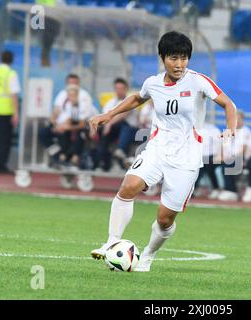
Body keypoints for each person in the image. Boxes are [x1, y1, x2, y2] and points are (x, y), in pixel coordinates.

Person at [88, 31, 237, 272]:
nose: (179, 64)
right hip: (157, 150)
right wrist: (108, 114)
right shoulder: (153, 83)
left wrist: (231, 129)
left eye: (184, 58)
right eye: (174, 58)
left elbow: (228, 104)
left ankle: (147, 255)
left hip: (187, 159)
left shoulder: (198, 81)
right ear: (163, 58)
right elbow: (138, 98)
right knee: (128, 186)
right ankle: (112, 242)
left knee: (165, 218)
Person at [39, 84, 94, 168]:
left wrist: (66, 127)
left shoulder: (83, 105)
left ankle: (73, 159)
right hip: (70, 127)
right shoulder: (67, 104)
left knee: (79, 134)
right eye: (70, 95)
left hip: (89, 128)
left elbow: (82, 124)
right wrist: (57, 126)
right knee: (45, 133)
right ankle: (58, 156)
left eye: (73, 95)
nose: (71, 97)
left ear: (77, 95)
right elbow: (66, 120)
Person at [94, 78, 140, 171]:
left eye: (121, 88)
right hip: (115, 130)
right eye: (117, 88)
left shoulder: (131, 99)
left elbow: (123, 115)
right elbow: (103, 117)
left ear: (126, 89)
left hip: (131, 130)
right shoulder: (111, 102)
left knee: (124, 126)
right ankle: (101, 162)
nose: (119, 91)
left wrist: (109, 124)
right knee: (102, 132)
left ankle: (120, 150)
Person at [218, 110, 251, 201]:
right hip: (227, 157)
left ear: (242, 120)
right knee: (207, 163)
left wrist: (230, 157)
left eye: (238, 119)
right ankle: (215, 188)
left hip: (239, 158)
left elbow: (243, 149)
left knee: (227, 164)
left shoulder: (246, 131)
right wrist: (221, 156)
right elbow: (222, 146)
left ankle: (231, 191)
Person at [193, 121, 222, 199]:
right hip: (198, 156)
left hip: (212, 156)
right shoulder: (193, 128)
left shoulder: (213, 129)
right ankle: (192, 189)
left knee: (207, 163)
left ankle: (215, 188)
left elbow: (218, 145)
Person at [35, 0, 65, 66]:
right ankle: (45, 64)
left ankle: (45, 63)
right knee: (46, 46)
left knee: (47, 46)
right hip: (47, 21)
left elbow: (62, 7)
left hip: (53, 21)